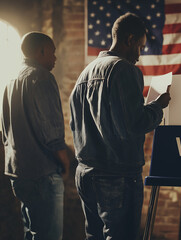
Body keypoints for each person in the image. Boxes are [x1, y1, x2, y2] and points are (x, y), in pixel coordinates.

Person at [70, 13, 170, 240]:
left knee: (94, 235)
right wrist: (157, 106)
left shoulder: (85, 73)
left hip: (85, 172)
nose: (139, 55)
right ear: (130, 39)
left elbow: (74, 124)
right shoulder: (124, 70)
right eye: (140, 47)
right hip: (117, 175)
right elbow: (133, 125)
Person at [1, 32, 70, 240]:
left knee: (31, 233)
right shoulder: (42, 77)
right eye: (53, 52)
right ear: (41, 51)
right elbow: (51, 130)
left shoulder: (10, 80)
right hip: (43, 173)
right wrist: (65, 160)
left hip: (18, 172)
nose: (55, 58)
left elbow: (5, 129)